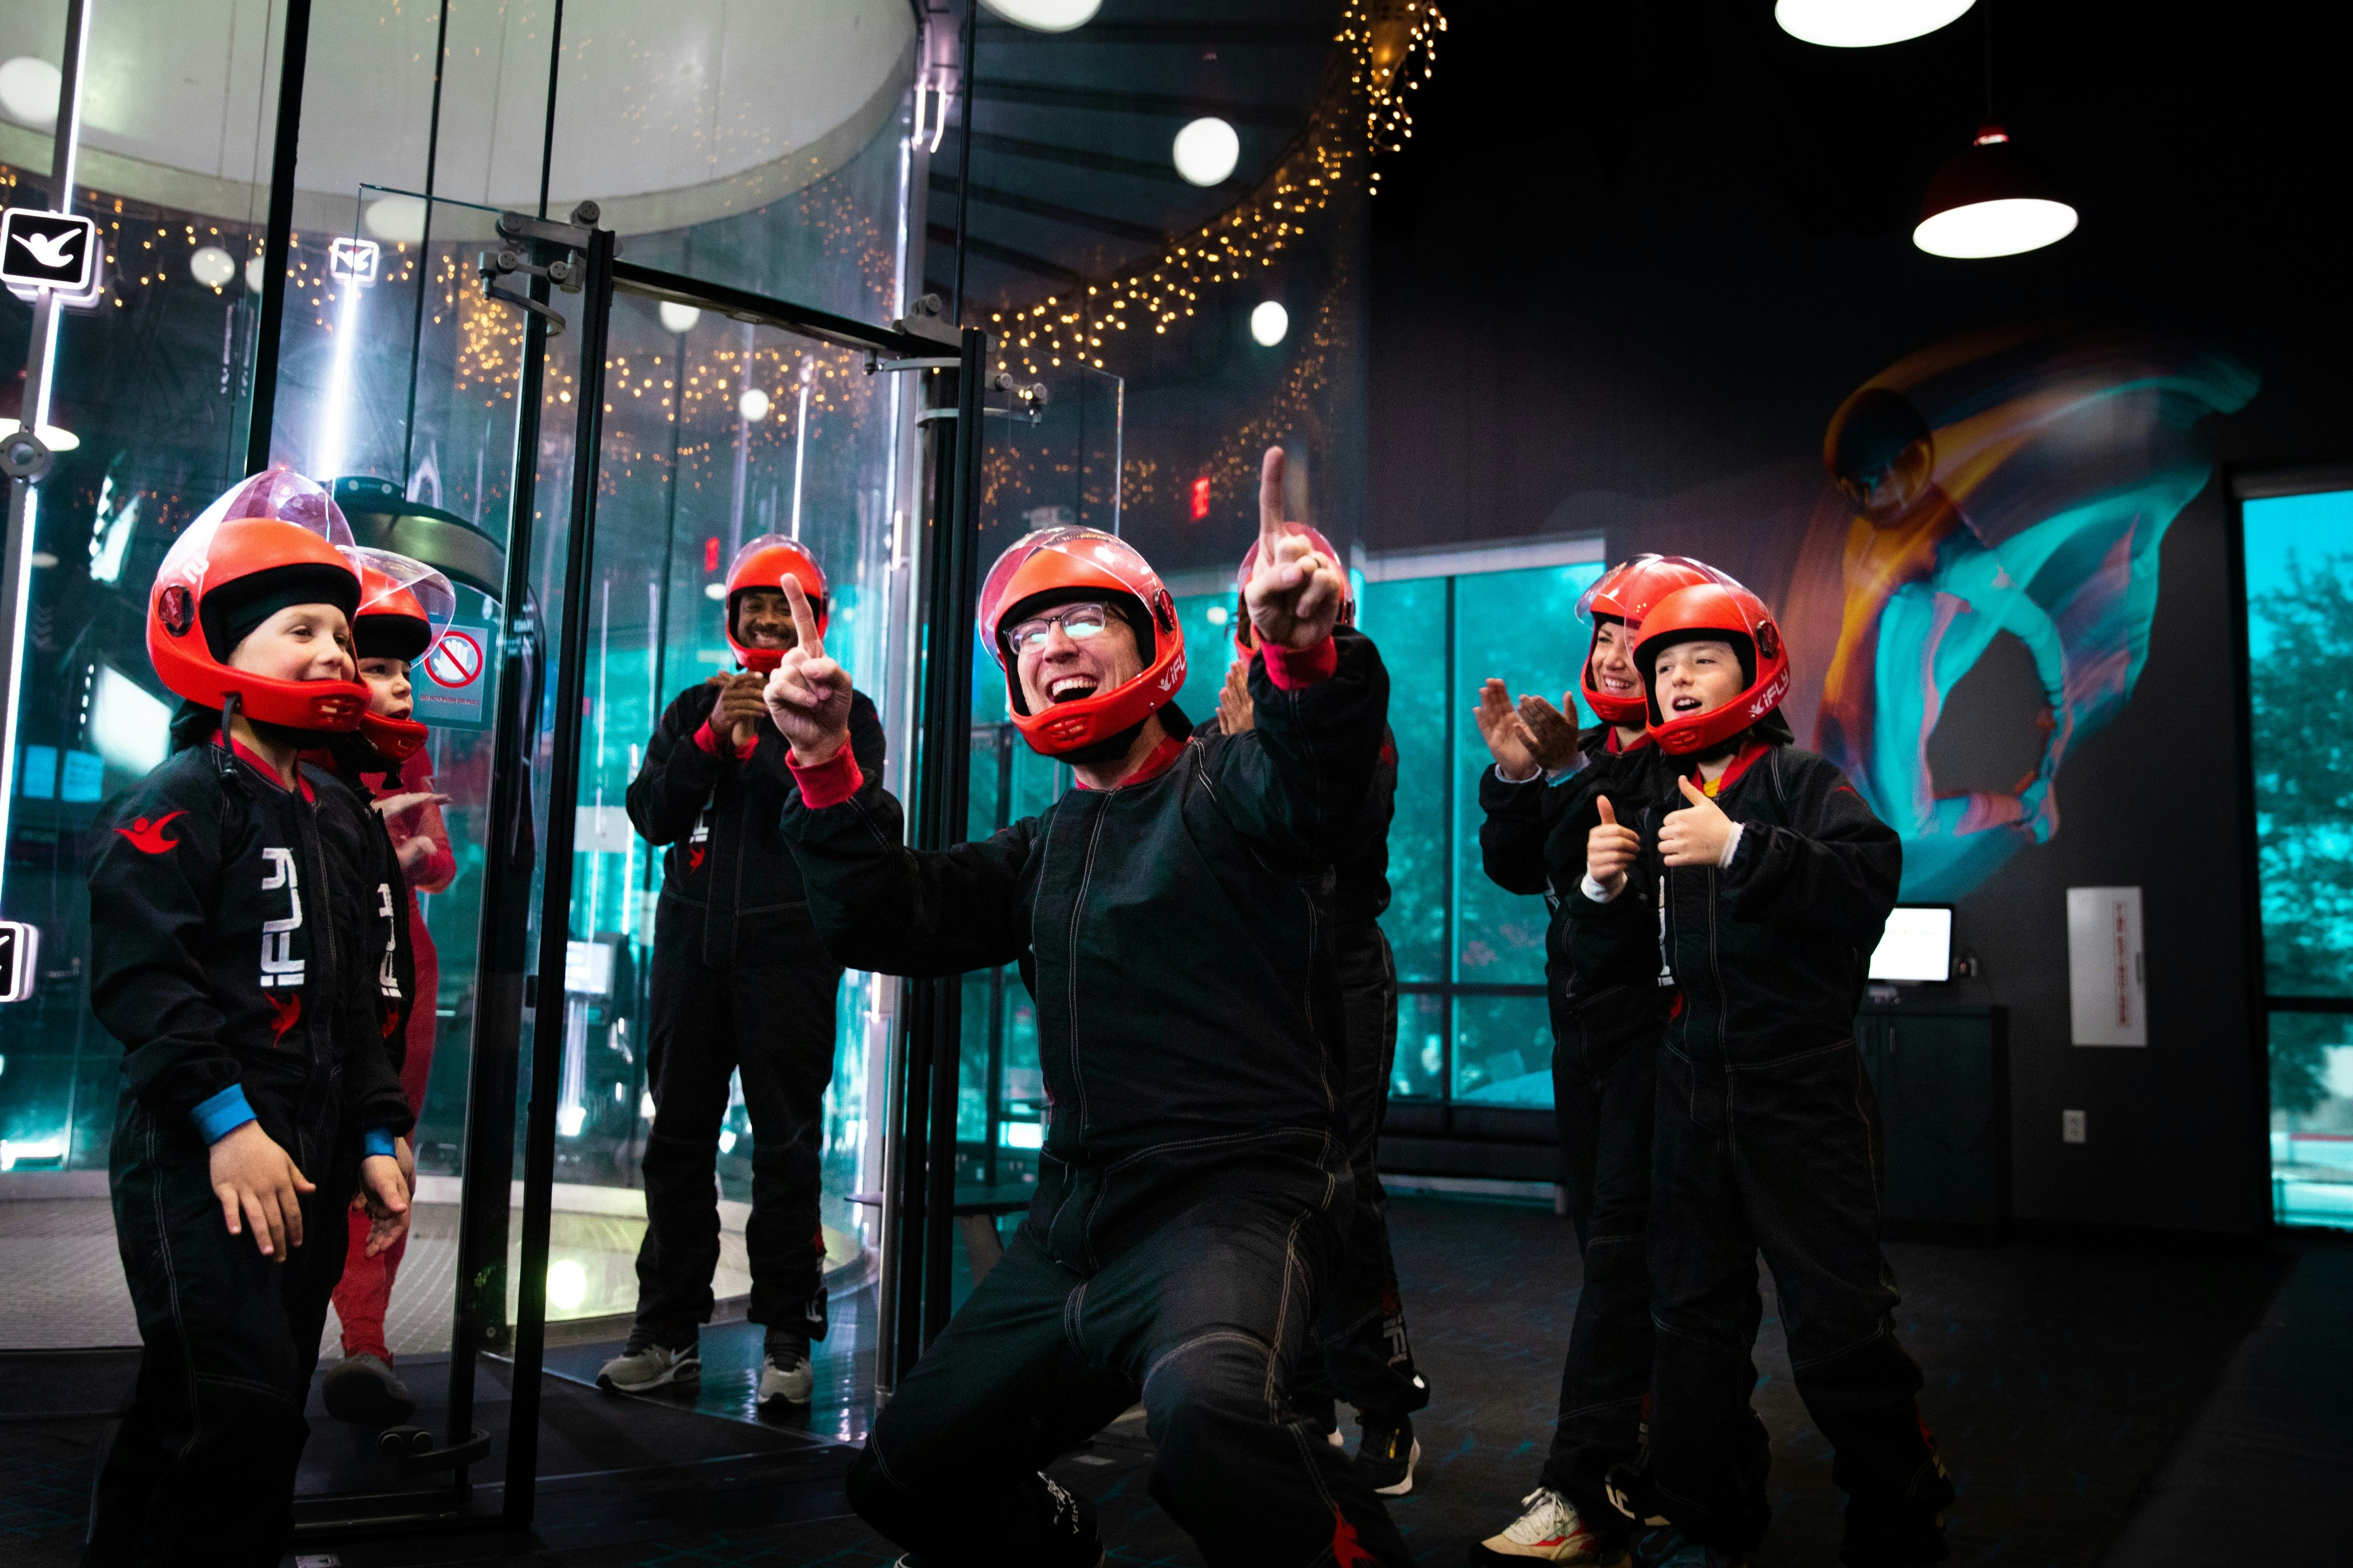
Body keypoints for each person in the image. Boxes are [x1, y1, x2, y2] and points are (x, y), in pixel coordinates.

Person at [767, 449, 1412, 1567]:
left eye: (1081, 619)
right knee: (897, 1478)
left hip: (1230, 1208)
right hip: (1071, 1231)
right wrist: (825, 766)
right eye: (1027, 635)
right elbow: (885, 917)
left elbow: (1321, 784)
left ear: (1150, 636)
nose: (1053, 644)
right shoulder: (1041, 848)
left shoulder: (1237, 786)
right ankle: (1058, 1543)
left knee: (1212, 1421)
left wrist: (1303, 657)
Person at [1571, 580, 1952, 1568]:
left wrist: (1739, 847)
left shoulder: (1797, 780)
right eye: (1662, 665)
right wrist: (1599, 889)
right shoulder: (1646, 790)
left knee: (1838, 1321)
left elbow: (1868, 879)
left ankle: (1901, 1513)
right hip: (1689, 1090)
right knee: (1690, 1323)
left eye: (1700, 658)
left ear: (1755, 668)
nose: (1676, 678)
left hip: (1800, 1092)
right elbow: (1611, 963)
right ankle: (1713, 1516)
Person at [83, 471, 415, 1567]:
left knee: (251, 1406)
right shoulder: (182, 796)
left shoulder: (342, 815)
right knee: (225, 1404)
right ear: (221, 647)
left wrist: (376, 1130)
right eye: (301, 629)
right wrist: (226, 1123)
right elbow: (144, 980)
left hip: (307, 1160)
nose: (334, 653)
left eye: (342, 634)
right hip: (202, 1155)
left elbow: (361, 999)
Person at [1467, 555, 1738, 1566]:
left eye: (1640, 638)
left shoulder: (1684, 762)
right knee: (1619, 1260)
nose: (1618, 655)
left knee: (1633, 1258)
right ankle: (1675, 1465)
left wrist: (1560, 780)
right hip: (1580, 1038)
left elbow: (1605, 860)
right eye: (1606, 635)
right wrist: (1519, 775)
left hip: (1658, 1046)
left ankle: (1588, 1483)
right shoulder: (1582, 753)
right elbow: (1514, 865)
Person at [602, 534, 886, 1407]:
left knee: (787, 1149)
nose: (766, 620)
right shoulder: (696, 703)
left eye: (781, 606)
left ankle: (787, 1340)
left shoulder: (844, 707)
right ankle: (666, 1331)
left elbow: (844, 817)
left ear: (814, 618)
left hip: (790, 960)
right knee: (676, 1146)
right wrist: (708, 739)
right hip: (689, 958)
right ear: (730, 618)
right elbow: (651, 815)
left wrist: (764, 739)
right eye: (751, 606)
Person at [1205, 528, 1430, 1498]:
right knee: (1270, 1190)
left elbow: (1333, 830)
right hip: (1254, 973)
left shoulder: (1349, 717)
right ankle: (1299, 1396)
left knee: (1345, 1186)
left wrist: (1253, 744)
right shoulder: (1222, 719)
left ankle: (1383, 1405)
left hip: (1339, 964)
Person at [318, 550, 460, 1427]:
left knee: (386, 1156)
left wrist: (396, 847)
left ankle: (365, 1342)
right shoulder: (285, 761)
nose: (402, 683)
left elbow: (438, 861)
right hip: (332, 976)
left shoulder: (404, 757)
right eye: (378, 665)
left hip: (401, 974)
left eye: (404, 667)